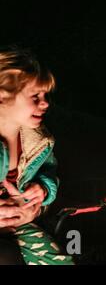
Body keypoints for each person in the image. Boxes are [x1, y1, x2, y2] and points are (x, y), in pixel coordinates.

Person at [0, 46, 73, 265]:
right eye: (35, 96)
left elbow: (49, 173)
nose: (45, 103)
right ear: (3, 96)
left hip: (17, 224)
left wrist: (42, 190)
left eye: (45, 95)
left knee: (58, 260)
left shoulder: (38, 141)